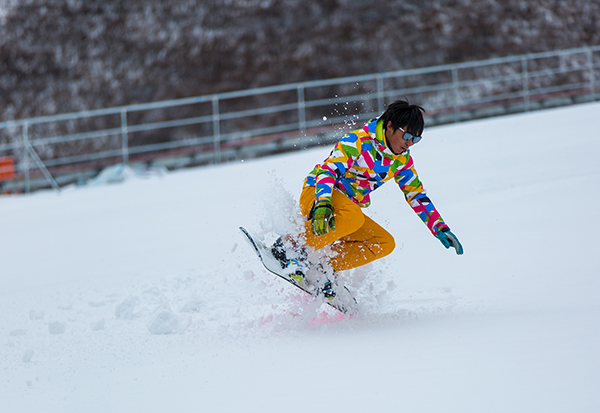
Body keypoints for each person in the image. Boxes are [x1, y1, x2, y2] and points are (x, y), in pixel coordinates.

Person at [273, 99, 463, 298]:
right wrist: (322, 203)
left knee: (383, 242)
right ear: (390, 126)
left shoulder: (401, 161)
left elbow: (416, 194)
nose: (409, 143)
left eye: (416, 139)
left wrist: (439, 227)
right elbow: (328, 171)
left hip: (345, 211)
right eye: (406, 135)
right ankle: (289, 248)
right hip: (318, 194)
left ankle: (322, 268)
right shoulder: (358, 141)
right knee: (354, 217)